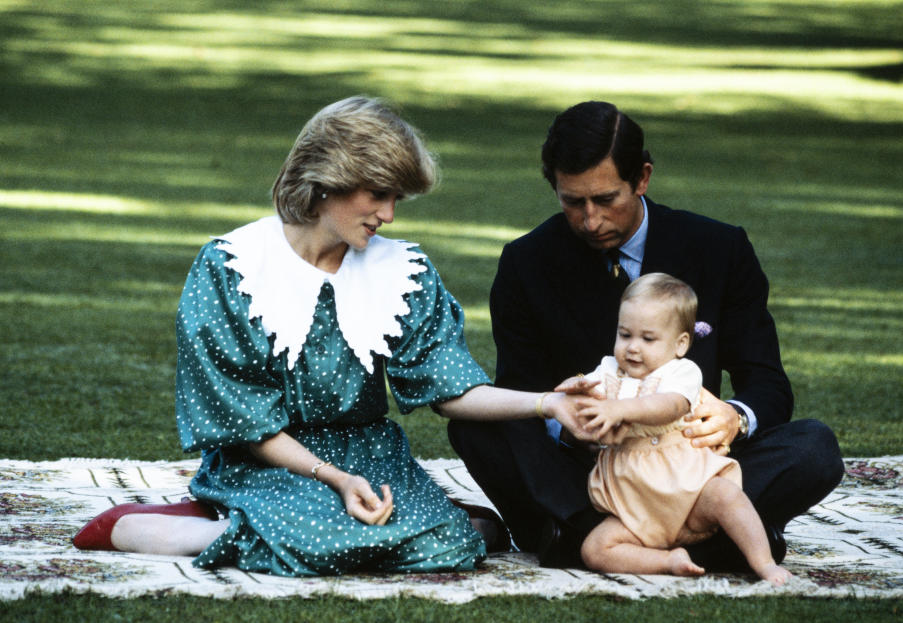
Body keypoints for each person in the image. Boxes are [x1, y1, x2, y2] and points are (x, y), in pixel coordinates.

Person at [72, 96, 586, 576]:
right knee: (323, 539)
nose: (388, 215)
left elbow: (450, 387)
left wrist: (549, 403)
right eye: (378, 195)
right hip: (265, 456)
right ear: (327, 181)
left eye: (396, 199)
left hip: (369, 453)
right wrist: (334, 479)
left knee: (454, 543)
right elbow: (245, 423)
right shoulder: (234, 268)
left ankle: (252, 528)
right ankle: (187, 528)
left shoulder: (403, 270)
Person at [448, 100, 845, 570]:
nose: (591, 220)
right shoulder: (525, 263)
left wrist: (735, 417)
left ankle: (580, 543)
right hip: (588, 475)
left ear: (642, 178)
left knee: (815, 447)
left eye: (606, 199)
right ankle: (712, 543)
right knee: (477, 424)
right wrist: (569, 422)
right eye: (573, 202)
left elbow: (769, 385)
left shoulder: (719, 249)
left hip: (691, 466)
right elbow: (521, 390)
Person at [566, 272, 790, 584]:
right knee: (595, 549)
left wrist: (618, 409)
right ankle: (668, 560)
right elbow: (584, 391)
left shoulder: (681, 372)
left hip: (689, 491)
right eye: (624, 334)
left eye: (647, 339)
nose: (632, 348)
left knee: (727, 497)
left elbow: (666, 406)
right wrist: (572, 390)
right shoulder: (609, 369)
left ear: (680, 344)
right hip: (632, 506)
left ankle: (764, 563)